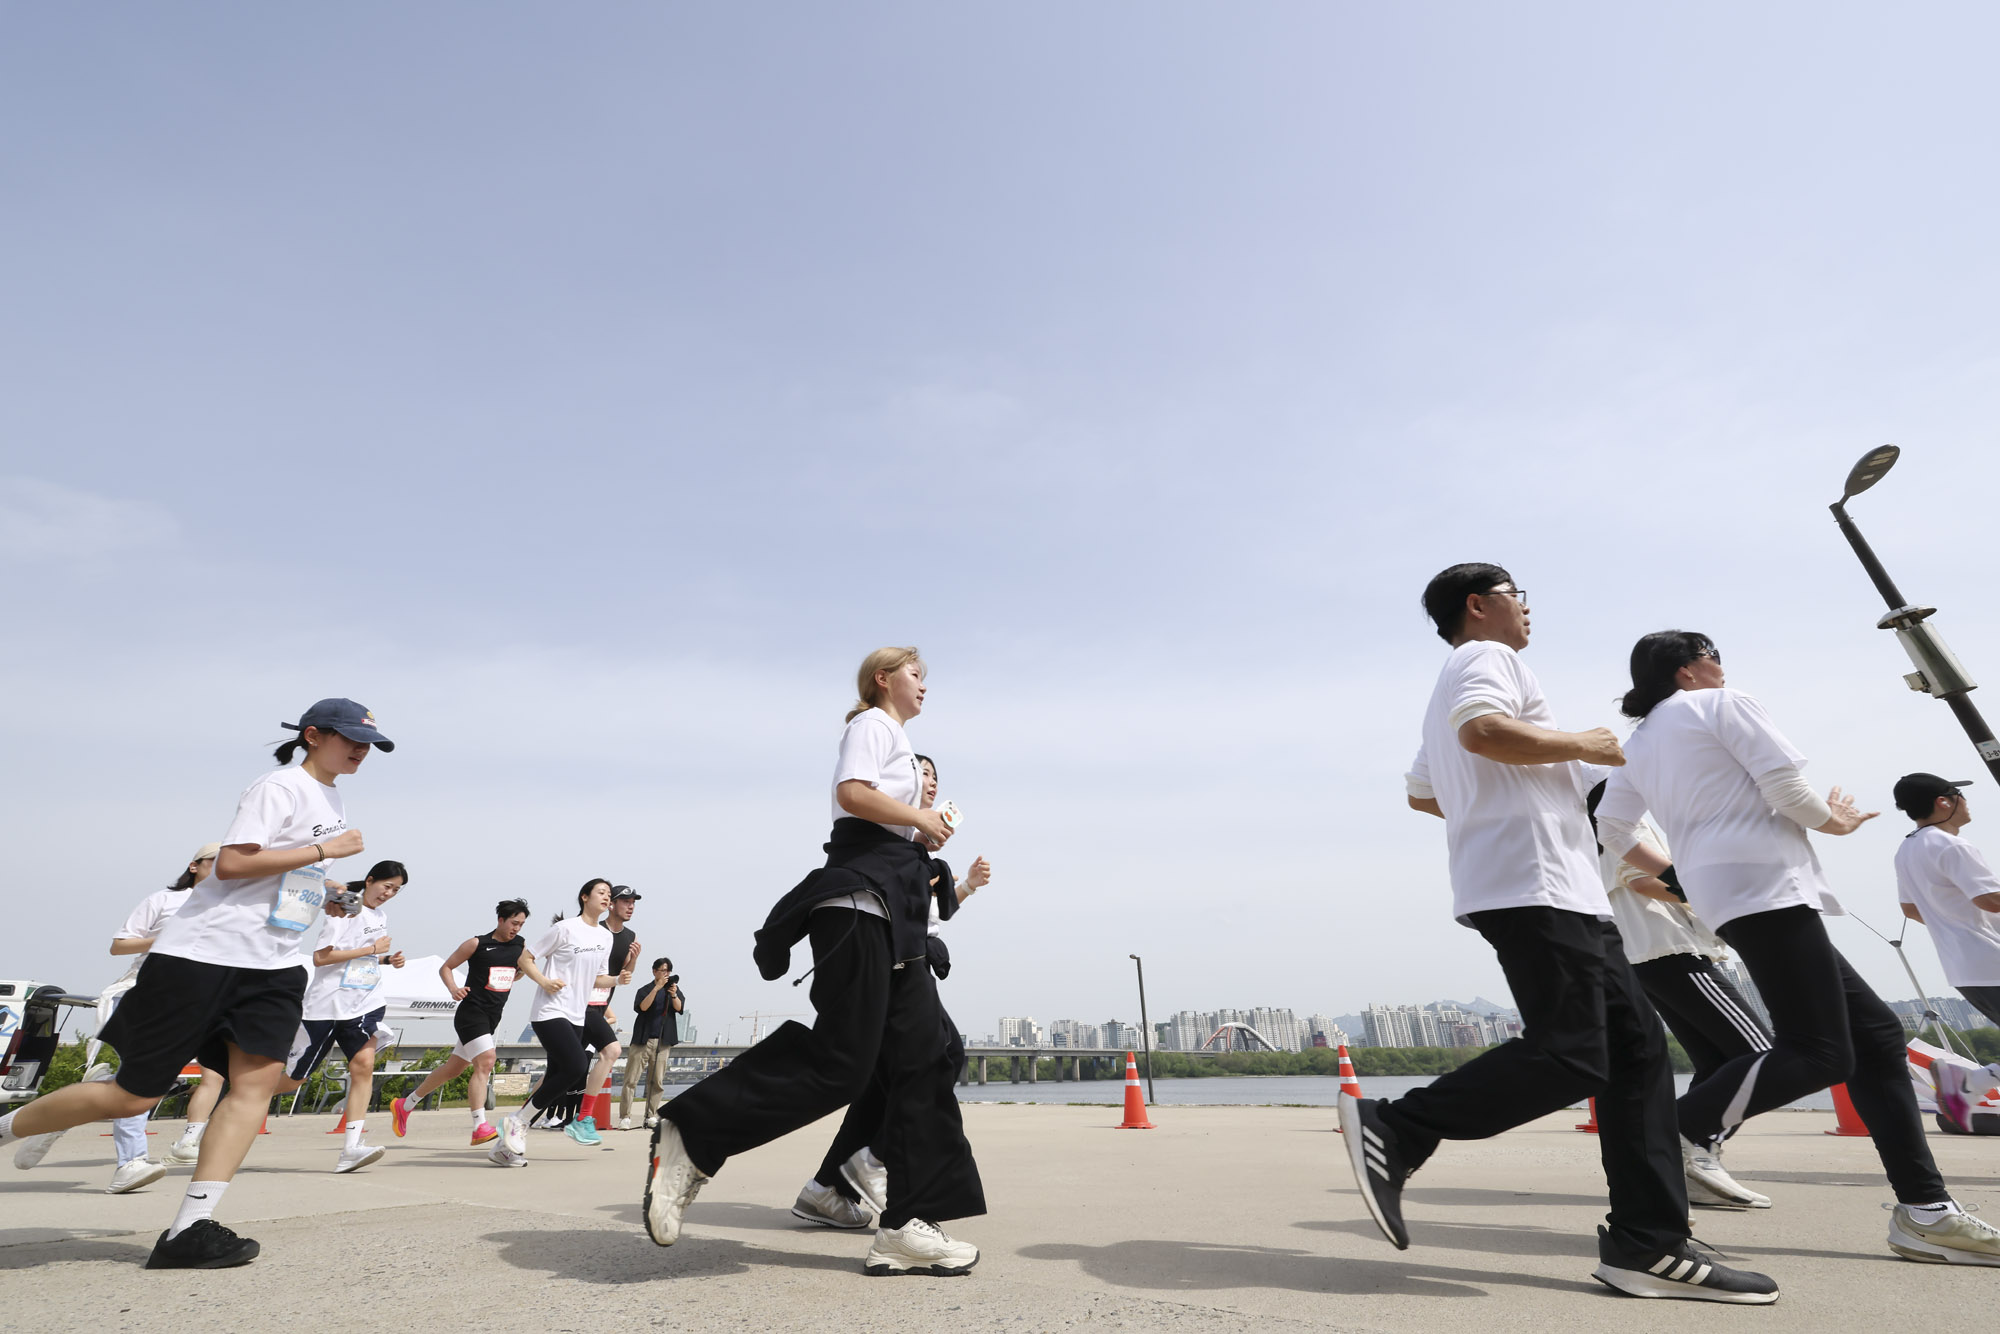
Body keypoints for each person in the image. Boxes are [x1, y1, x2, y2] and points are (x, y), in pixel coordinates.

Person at [1345, 567, 1775, 1303]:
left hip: (1549, 889)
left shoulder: (1457, 691)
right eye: (1519, 595)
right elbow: (1485, 734)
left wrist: (1524, 808)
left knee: (1635, 1057)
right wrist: (1580, 744)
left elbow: (1425, 792)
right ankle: (1399, 1125)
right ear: (1480, 605)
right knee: (1577, 1052)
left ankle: (1648, 1244)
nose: (1529, 610)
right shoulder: (1487, 659)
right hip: (1537, 890)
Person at [1596, 632, 2000, 1266]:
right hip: (1766, 884)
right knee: (1819, 1052)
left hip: (1733, 893)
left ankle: (1926, 1210)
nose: (1722, 667)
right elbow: (1787, 790)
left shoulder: (1640, 742)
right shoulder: (1723, 703)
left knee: (1878, 1040)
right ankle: (1672, 1131)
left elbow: (1611, 827)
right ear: (1686, 670)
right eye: (1714, 655)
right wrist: (1835, 821)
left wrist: (1689, 877)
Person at [0, 698, 390, 1269]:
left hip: (275, 963)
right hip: (204, 956)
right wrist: (323, 850)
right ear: (312, 735)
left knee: (254, 1090)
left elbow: (286, 865)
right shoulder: (277, 786)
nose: (360, 750)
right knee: (134, 1094)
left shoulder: (331, 794)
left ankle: (190, 1228)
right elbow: (232, 863)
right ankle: (8, 1126)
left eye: (369, 744)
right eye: (349, 738)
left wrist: (324, 886)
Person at [644, 646, 986, 1277]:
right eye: (917, 675)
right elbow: (851, 792)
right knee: (842, 1064)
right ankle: (693, 1134)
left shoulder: (903, 747)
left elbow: (883, 816)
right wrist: (919, 818)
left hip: (900, 926)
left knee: (930, 1056)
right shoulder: (872, 724)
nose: (925, 686)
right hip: (859, 909)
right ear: (884, 679)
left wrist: (923, 832)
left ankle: (906, 1222)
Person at [793, 753, 991, 1229]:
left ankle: (828, 1186)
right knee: (937, 1057)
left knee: (888, 1081)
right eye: (919, 773)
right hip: (883, 965)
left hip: (902, 963)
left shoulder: (920, 855)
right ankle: (867, 1166)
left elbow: (929, 916)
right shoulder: (883, 840)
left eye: (934, 779)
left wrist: (964, 884)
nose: (928, 783)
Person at [1585, 784, 1774, 1210]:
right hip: (1670, 950)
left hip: (1644, 955)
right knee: (1761, 1053)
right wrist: (1713, 894)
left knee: (1716, 1061)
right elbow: (1641, 880)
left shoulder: (1593, 831)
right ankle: (1691, 1144)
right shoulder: (1623, 824)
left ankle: (1690, 1161)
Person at [92, 844, 230, 1194]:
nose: (221, 867)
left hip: (199, 1003)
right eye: (214, 861)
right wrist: (164, 939)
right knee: (141, 1081)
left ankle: (98, 1087)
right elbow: (119, 945)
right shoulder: (164, 901)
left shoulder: (231, 909)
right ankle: (131, 1162)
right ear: (195, 865)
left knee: (196, 1075)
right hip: (148, 995)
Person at [273, 861, 408, 1173]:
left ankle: (351, 1148)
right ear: (370, 880)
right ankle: (240, 1098)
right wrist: (372, 948)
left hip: (363, 1002)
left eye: (396, 890)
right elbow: (322, 958)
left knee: (363, 1066)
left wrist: (385, 958)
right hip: (325, 1007)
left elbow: (363, 953)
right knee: (294, 1080)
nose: (389, 894)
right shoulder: (344, 908)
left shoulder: (380, 915)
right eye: (386, 886)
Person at [391, 899, 558, 1146]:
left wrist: (520, 974)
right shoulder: (477, 943)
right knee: (487, 1060)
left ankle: (405, 1105)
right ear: (501, 920)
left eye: (521, 924)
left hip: (492, 1016)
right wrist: (453, 989)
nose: (517, 928)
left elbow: (517, 973)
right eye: (513, 923)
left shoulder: (519, 946)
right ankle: (479, 1125)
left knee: (453, 1069)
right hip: (471, 1013)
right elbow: (446, 967)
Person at [493, 881, 629, 1166]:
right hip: (549, 1010)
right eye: (601, 893)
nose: (606, 897)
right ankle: (517, 1122)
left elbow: (597, 979)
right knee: (577, 1066)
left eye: (608, 895)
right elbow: (525, 958)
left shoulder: (605, 938)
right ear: (584, 897)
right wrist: (544, 981)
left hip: (577, 1015)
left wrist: (618, 979)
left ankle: (502, 1149)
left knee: (559, 1079)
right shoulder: (565, 928)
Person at [1894, 775, 2000, 1035]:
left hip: (1963, 970)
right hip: (1992, 957)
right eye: (1959, 794)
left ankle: (1985, 1077)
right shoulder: (1953, 845)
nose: (1965, 801)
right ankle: (1988, 1077)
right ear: (1943, 802)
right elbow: (1990, 900)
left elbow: (1910, 909)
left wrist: (1952, 920)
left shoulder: (1906, 850)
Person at [578, 885, 642, 1133]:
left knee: (563, 1069)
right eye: (626, 901)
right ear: (611, 904)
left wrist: (634, 959)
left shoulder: (629, 936)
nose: (631, 906)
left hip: (599, 1006)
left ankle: (522, 1117)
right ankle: (583, 1118)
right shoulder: (595, 930)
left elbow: (623, 975)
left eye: (634, 902)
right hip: (578, 1005)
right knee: (611, 1050)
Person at [620, 958, 684, 1130]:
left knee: (657, 1081)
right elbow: (643, 1007)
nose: (666, 974)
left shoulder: (673, 990)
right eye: (663, 970)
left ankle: (651, 1115)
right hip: (642, 1040)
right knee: (631, 1080)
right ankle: (625, 1116)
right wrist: (656, 988)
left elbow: (679, 1008)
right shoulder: (645, 990)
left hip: (663, 1042)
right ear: (654, 971)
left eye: (668, 971)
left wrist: (674, 994)